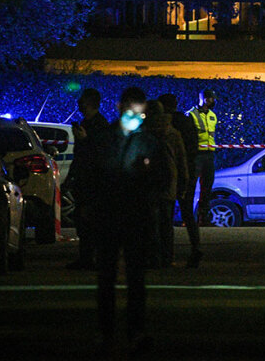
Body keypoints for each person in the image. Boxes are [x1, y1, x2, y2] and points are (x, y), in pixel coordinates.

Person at [94, 87, 174, 356]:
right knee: (106, 277)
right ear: (119, 108)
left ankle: (134, 331)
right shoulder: (105, 139)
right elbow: (91, 174)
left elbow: (163, 178)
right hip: (109, 215)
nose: (134, 119)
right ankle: (106, 332)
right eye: (130, 112)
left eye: (139, 115)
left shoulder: (149, 141)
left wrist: (146, 179)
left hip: (136, 215)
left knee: (136, 278)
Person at [65, 88, 109, 270]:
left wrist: (84, 139)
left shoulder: (99, 125)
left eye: (82, 101)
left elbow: (100, 153)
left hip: (94, 181)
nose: (79, 104)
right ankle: (87, 258)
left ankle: (91, 259)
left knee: (91, 221)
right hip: (86, 180)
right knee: (84, 221)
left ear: (90, 103)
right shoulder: (90, 123)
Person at [158, 93, 203, 268]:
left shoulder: (165, 125)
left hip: (169, 172)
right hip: (188, 171)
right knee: (187, 212)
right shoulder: (186, 121)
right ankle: (196, 247)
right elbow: (194, 147)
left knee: (166, 215)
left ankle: (166, 254)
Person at [144, 99, 187, 269]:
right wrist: (182, 184)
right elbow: (181, 161)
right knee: (166, 224)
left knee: (150, 223)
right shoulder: (172, 133)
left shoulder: (143, 132)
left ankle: (153, 258)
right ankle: (167, 257)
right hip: (168, 182)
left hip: (149, 183)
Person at [185, 89, 218, 227]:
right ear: (204, 99)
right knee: (191, 186)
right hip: (196, 154)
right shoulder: (190, 114)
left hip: (209, 154)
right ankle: (188, 219)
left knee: (207, 187)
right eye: (211, 98)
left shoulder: (212, 115)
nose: (213, 101)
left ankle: (203, 218)